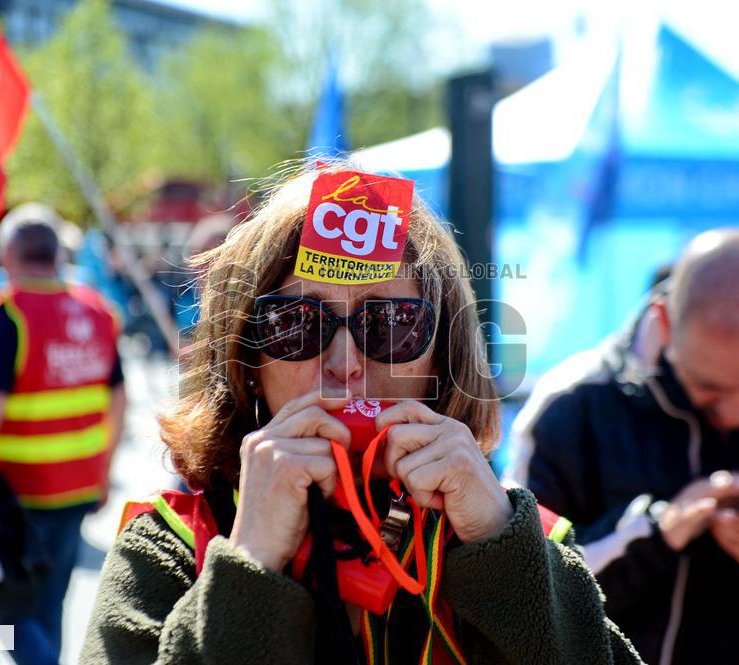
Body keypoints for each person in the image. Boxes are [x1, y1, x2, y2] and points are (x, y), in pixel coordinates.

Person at [81, 164, 640, 664]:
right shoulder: (173, 542)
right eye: (294, 324)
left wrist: (499, 546)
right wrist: (249, 563)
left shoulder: (522, 539)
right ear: (246, 360)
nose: (346, 364)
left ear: (442, 358)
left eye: (393, 324)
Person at [503, 230, 739, 664]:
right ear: (664, 321)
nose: (736, 413)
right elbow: (520, 594)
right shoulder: (573, 403)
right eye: (708, 387)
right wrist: (655, 532)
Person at [0, 202, 126, 665]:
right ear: (57, 253)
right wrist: (104, 473)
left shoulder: (9, 312)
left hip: (17, 490)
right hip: (78, 484)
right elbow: (119, 400)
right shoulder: (98, 311)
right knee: (51, 602)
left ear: (8, 254)